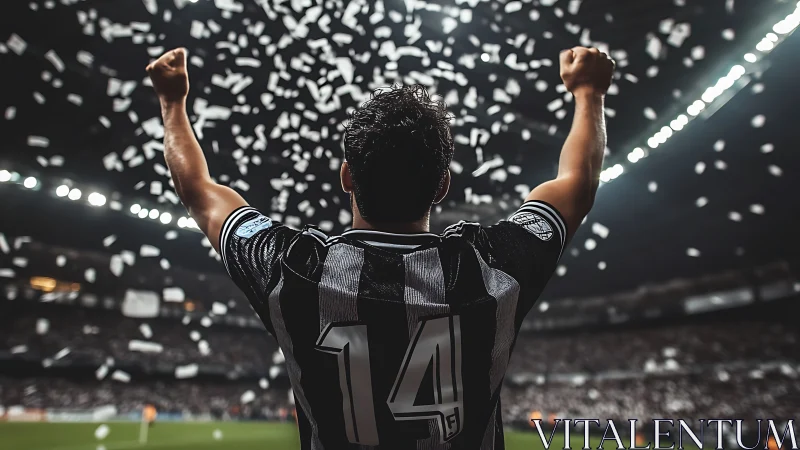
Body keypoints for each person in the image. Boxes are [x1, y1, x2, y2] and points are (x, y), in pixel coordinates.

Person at [147, 46, 613, 449]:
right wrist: (588, 93)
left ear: (346, 176)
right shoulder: (492, 269)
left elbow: (200, 192)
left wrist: (173, 102)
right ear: (442, 186)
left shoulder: (293, 272)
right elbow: (577, 185)